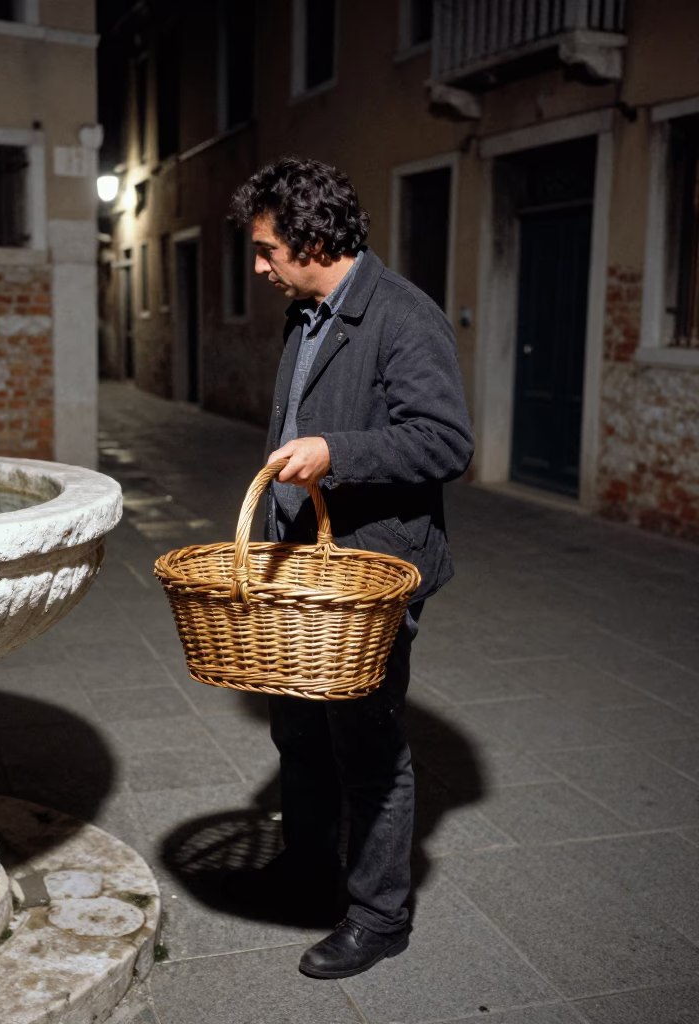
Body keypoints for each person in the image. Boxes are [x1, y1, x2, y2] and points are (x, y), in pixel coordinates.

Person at [227, 157, 474, 979]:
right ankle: (308, 867)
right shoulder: (309, 312)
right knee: (297, 729)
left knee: (367, 746)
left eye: (266, 249)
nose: (257, 266)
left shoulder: (404, 317)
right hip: (303, 570)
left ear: (314, 237)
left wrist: (337, 452)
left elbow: (446, 442)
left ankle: (379, 916)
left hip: (370, 577)